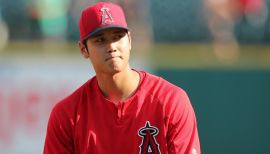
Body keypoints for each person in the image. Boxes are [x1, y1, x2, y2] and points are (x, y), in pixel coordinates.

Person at [43, 2, 201, 154]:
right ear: (84, 49)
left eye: (117, 37)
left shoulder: (170, 101)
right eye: (100, 40)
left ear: (130, 40)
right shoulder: (67, 115)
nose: (112, 47)